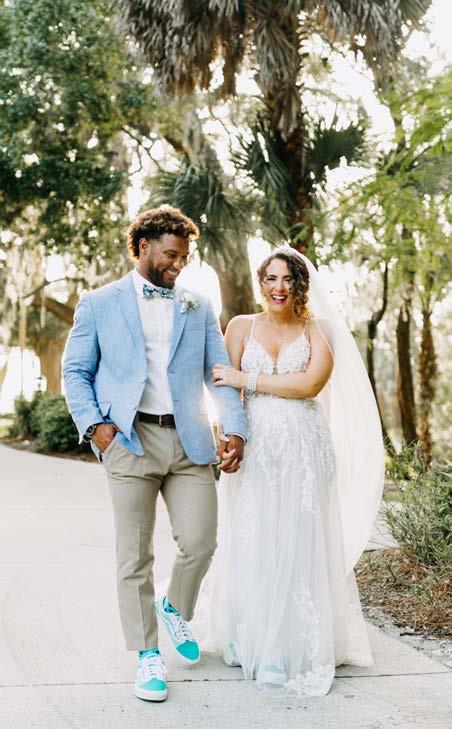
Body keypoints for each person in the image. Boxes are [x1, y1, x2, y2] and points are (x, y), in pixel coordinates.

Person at [63, 206, 246, 702]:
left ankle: (174, 608)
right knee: (134, 556)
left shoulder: (197, 305)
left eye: (184, 257)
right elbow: (75, 372)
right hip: (128, 440)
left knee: (201, 541)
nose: (178, 264)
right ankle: (147, 654)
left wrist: (235, 429)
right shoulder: (99, 303)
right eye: (171, 254)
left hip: (189, 441)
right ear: (143, 246)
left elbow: (218, 373)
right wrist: (96, 427)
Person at [208, 247, 384, 697]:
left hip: (305, 448)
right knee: (256, 536)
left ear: (301, 285)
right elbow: (224, 392)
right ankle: (254, 633)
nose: (279, 287)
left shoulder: (319, 329)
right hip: (256, 448)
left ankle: (285, 648)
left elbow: (309, 383)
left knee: (297, 537)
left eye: (288, 279)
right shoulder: (240, 326)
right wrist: (227, 435)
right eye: (271, 278)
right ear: (260, 282)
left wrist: (247, 379)